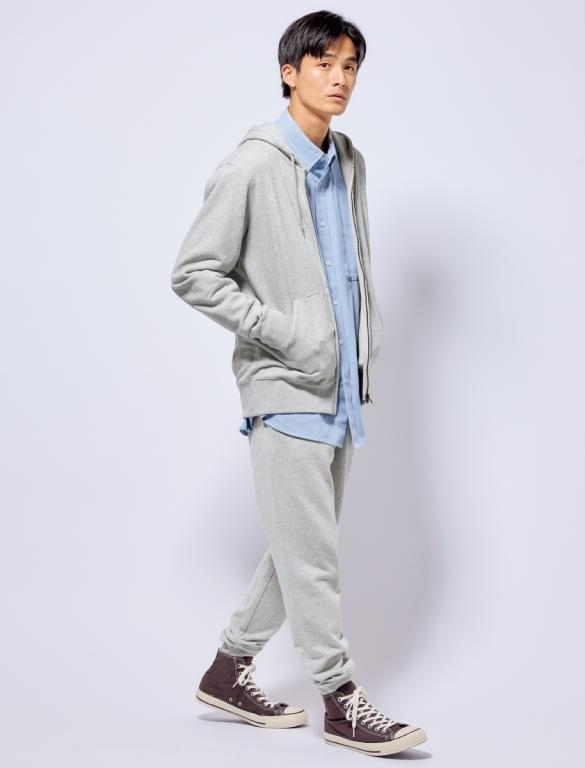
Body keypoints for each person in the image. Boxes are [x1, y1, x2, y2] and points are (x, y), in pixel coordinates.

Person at [171, 10, 427, 757]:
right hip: (284, 388)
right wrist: (282, 331)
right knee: (312, 558)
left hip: (341, 391)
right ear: (290, 73)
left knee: (299, 549)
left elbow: (352, 267)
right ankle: (341, 701)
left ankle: (227, 671)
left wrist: (360, 347)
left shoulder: (348, 160)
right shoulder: (251, 166)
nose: (339, 78)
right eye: (324, 64)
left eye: (350, 66)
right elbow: (194, 272)